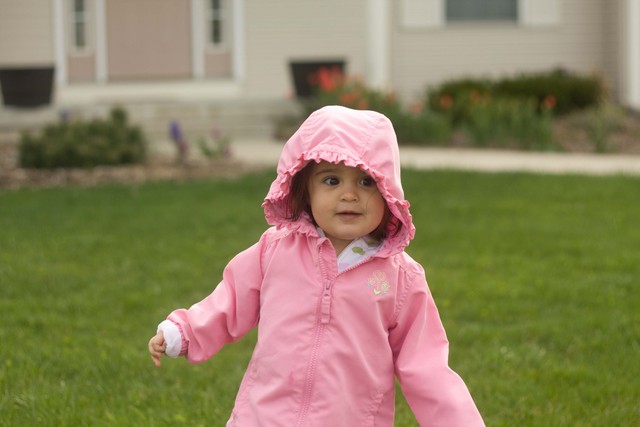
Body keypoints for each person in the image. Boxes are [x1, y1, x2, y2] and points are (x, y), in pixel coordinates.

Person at [148, 105, 485, 426]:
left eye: (366, 182)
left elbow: (427, 367)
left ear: (388, 193)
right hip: (266, 417)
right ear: (304, 189)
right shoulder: (275, 251)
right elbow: (230, 299)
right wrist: (186, 331)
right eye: (331, 181)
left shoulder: (399, 278)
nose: (349, 195)